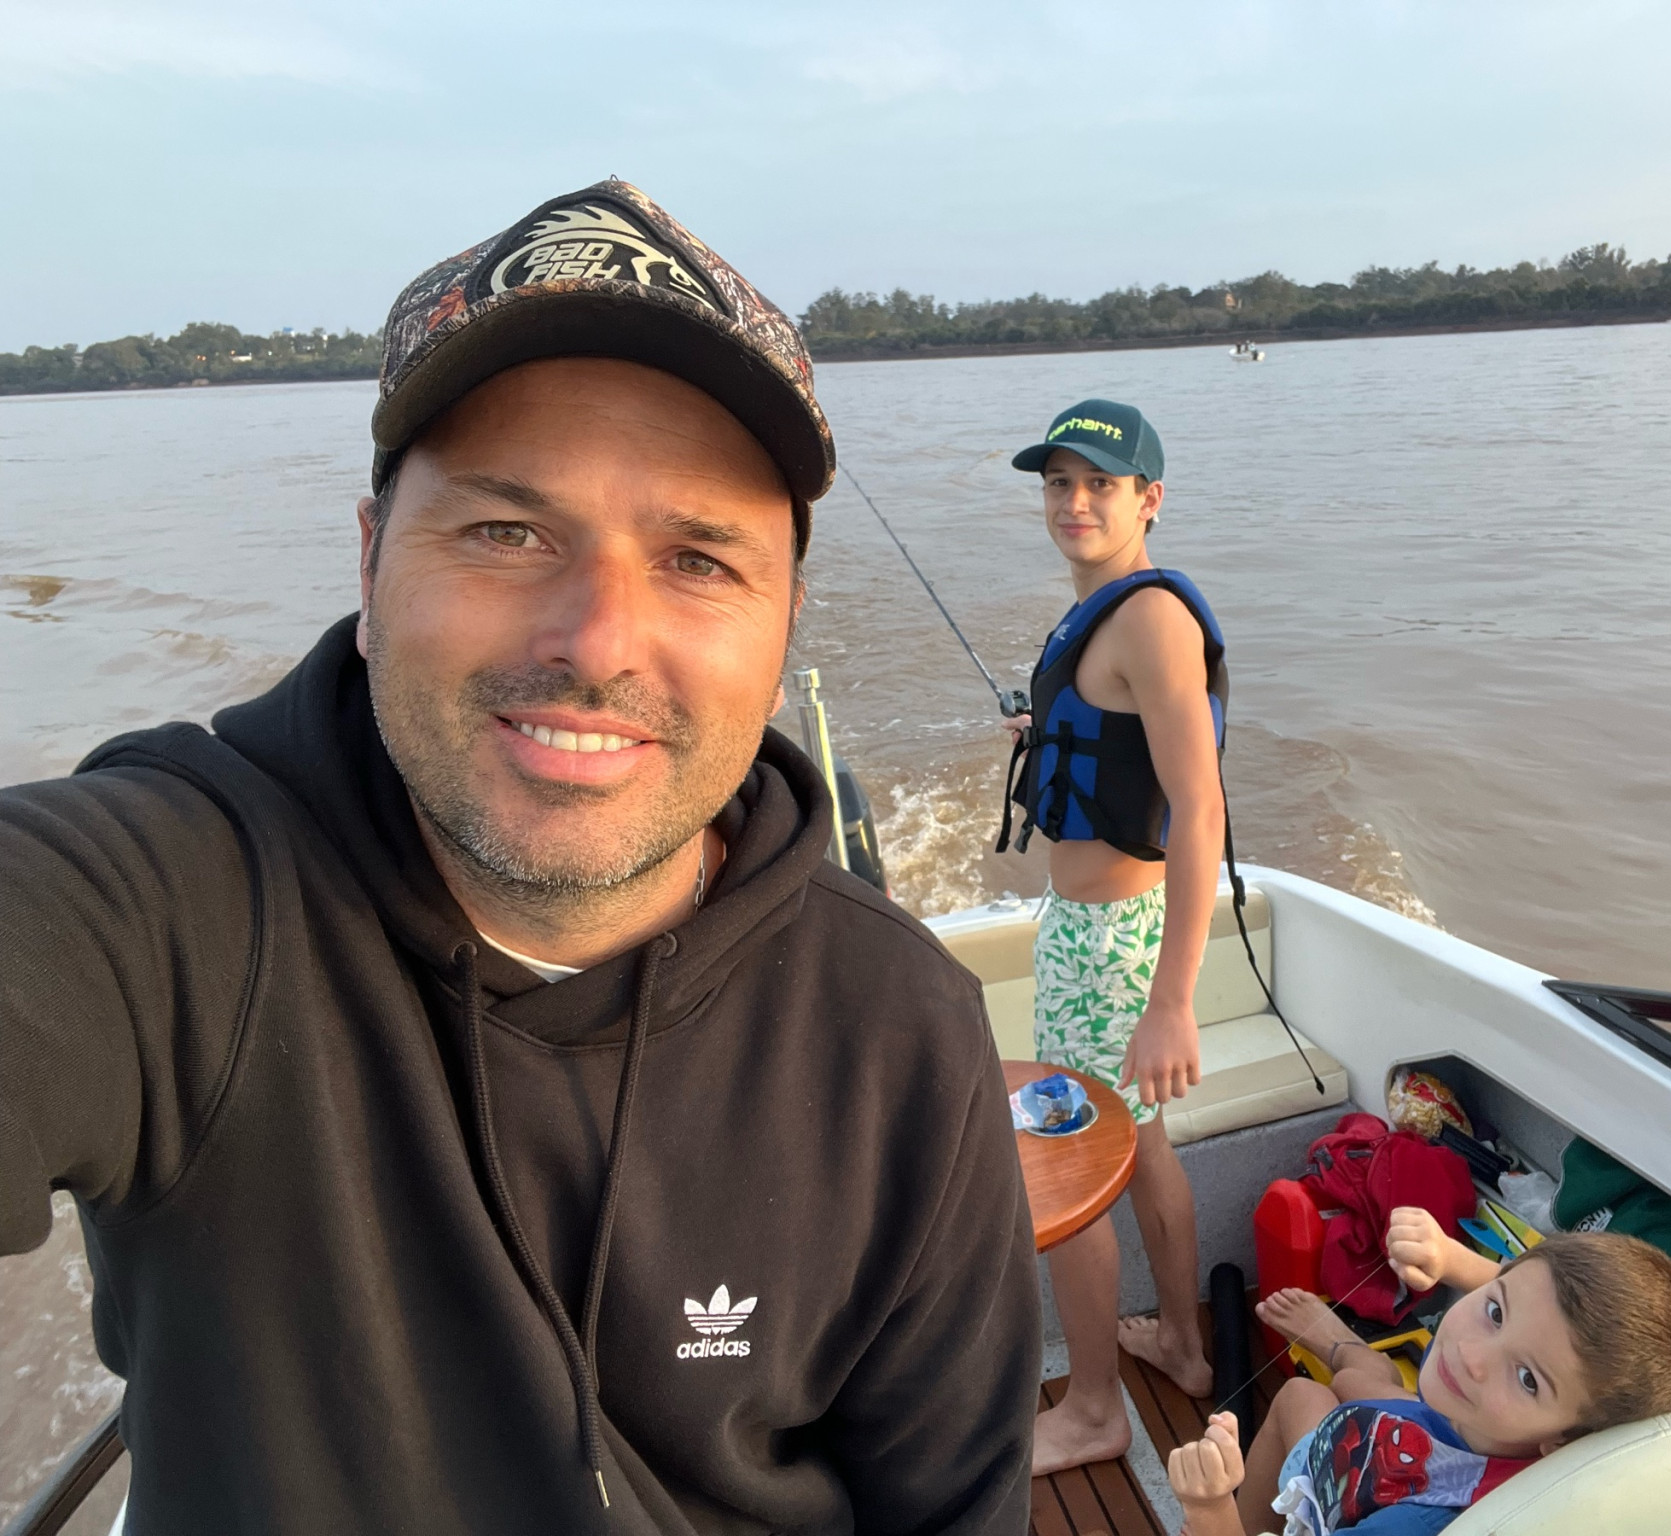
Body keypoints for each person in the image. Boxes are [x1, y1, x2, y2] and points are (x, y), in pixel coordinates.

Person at [0, 179, 1038, 1534]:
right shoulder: (171, 908)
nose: (595, 642)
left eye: (698, 559)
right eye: (506, 532)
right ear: (370, 567)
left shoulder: (900, 1030)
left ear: (784, 623)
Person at [998, 399, 1229, 1473]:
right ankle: (1181, 1344)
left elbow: (1200, 807)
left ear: (1150, 499)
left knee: (1070, 1168)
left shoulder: (1147, 617)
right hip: (1102, 933)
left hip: (1109, 946)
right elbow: (1118, 740)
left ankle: (1093, 1409)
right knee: (1142, 1146)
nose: (1074, 502)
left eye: (1100, 483)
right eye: (1059, 482)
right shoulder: (1102, 611)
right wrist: (1046, 731)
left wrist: (1171, 999)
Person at [1168, 1208, 1671, 1534]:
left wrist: (1210, 1508)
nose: (1473, 1356)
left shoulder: (1416, 1526)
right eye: (1495, 1311)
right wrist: (1451, 1258)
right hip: (1444, 1439)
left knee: (1311, 1397)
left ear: (1563, 1441)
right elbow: (1530, 1299)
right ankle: (1347, 1351)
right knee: (1306, 1394)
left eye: (1527, 1378)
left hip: (1374, 1500)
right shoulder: (1508, 1412)